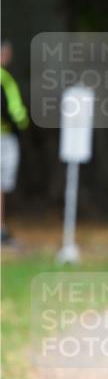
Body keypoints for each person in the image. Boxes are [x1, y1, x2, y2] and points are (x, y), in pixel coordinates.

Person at [0, 40, 29, 246]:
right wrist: (21, 124)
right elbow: (15, 111)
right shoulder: (5, 78)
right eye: (7, 53)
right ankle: (1, 227)